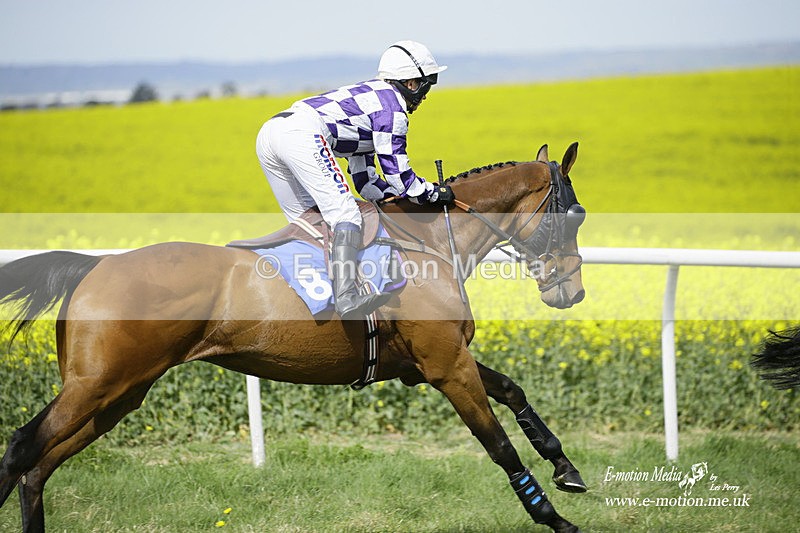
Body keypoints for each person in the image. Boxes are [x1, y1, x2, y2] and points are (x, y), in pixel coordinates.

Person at [256, 40, 455, 319]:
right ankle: (347, 297)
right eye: (426, 85)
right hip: (302, 135)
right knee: (346, 213)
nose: (425, 94)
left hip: (270, 133)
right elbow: (400, 176)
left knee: (309, 221)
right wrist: (433, 193)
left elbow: (365, 182)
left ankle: (308, 295)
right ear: (411, 83)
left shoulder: (373, 97)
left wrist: (389, 195)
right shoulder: (392, 108)